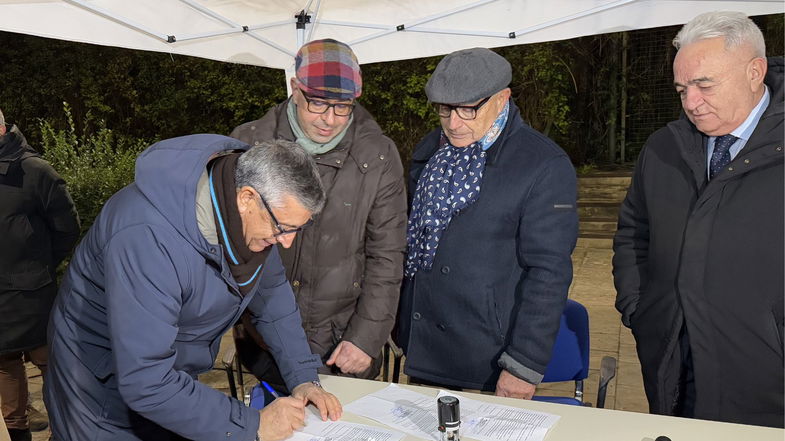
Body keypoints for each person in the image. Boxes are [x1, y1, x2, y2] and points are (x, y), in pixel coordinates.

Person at [44, 135, 342, 441]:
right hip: (99, 396)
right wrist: (251, 425)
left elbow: (274, 298)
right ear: (247, 198)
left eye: (297, 229)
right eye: (283, 228)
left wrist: (303, 378)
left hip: (167, 381)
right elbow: (145, 379)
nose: (287, 241)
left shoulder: (250, 221)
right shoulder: (147, 237)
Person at [613, 11, 783, 427]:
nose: (690, 102)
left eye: (704, 84)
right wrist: (640, 310)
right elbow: (634, 233)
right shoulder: (664, 148)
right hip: (672, 364)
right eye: (682, 88)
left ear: (754, 72)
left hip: (766, 384)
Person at [397, 48, 579, 398]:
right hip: (426, 349)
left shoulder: (543, 164)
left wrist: (523, 364)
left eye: (468, 109)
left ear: (502, 99)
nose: (453, 123)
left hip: (491, 359)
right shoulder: (429, 150)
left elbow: (549, 272)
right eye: (445, 109)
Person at [231, 39, 406, 386]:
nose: (329, 120)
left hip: (343, 344)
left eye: (343, 108)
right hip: (263, 341)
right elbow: (232, 247)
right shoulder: (247, 143)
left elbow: (387, 253)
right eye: (318, 104)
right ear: (295, 89)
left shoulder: (379, 155)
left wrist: (366, 337)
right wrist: (255, 324)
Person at [0, 109, 80, 441]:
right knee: (5, 368)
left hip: (34, 296)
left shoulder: (34, 170)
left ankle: (66, 430)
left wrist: (37, 268)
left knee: (53, 367)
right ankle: (17, 432)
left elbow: (67, 228)